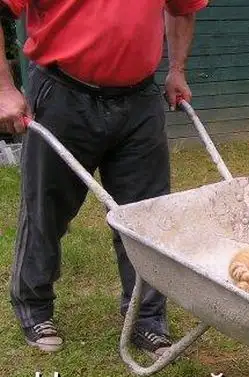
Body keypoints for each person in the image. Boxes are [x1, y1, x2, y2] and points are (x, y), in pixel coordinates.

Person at [0, 0, 208, 352]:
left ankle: (146, 318)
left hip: (139, 99)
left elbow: (183, 8)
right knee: (46, 207)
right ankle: (34, 306)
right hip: (61, 92)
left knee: (147, 217)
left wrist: (177, 70)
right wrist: (5, 89)